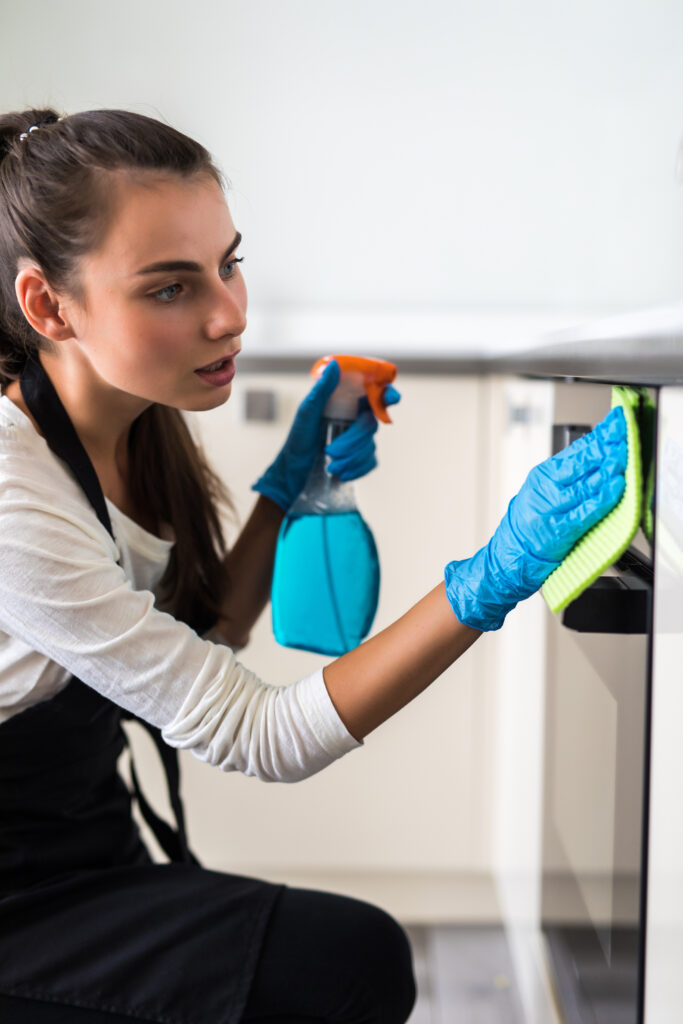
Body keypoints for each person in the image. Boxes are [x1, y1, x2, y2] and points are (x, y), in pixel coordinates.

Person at [0, 108, 627, 1024]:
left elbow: (205, 627)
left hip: (84, 836)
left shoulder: (135, 408)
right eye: (170, 288)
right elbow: (258, 737)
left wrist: (294, 482)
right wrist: (493, 574)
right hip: (17, 897)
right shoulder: (17, 495)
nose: (229, 313)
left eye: (229, 262)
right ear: (49, 306)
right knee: (350, 964)